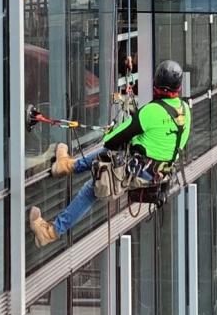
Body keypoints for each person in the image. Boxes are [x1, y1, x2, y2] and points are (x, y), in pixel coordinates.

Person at [28, 60, 192, 246]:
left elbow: (112, 139)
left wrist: (125, 135)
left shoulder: (152, 111)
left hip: (139, 171)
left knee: (92, 188)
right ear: (178, 87)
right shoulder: (185, 110)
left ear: (156, 83)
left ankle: (50, 232)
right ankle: (66, 165)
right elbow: (179, 143)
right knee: (109, 155)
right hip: (158, 174)